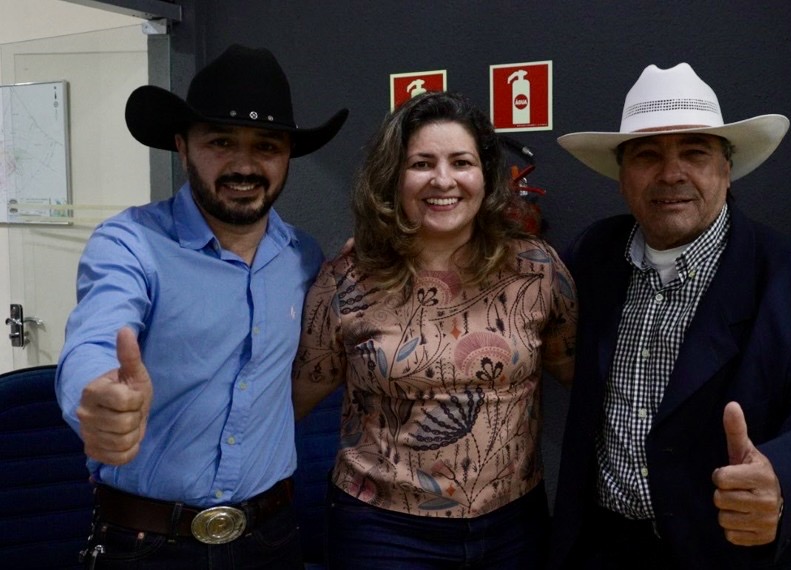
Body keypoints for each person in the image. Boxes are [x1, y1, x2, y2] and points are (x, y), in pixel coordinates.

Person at [549, 63, 791, 568]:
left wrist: (782, 477)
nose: (671, 173)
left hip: (729, 554)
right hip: (601, 547)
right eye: (647, 155)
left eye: (695, 152)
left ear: (728, 170)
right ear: (622, 178)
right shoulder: (592, 255)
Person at [54, 44, 348, 569]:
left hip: (273, 538)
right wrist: (96, 400)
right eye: (220, 142)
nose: (244, 164)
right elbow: (94, 342)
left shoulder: (304, 257)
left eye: (267, 146)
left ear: (287, 157)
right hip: (146, 545)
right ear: (181, 147)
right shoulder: (129, 244)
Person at [292, 90, 577, 569]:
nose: (443, 180)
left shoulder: (537, 270)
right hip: (381, 530)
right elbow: (293, 399)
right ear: (393, 178)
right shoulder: (347, 277)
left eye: (461, 162)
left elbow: (582, 379)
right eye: (421, 163)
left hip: (510, 524)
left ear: (486, 175)